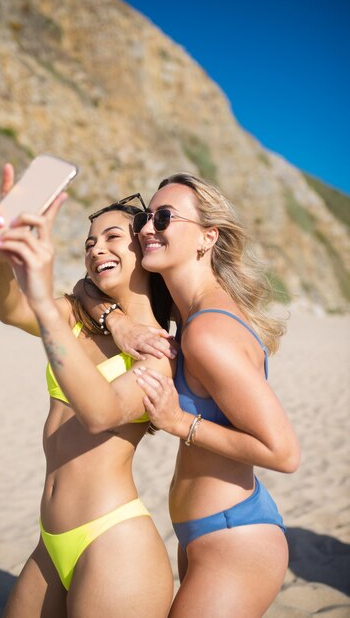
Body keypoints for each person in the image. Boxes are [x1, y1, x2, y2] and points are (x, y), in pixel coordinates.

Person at [0, 165, 174, 618]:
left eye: (112, 237)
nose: (96, 247)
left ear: (145, 247)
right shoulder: (77, 319)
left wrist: (47, 301)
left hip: (114, 543)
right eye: (89, 243)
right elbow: (10, 308)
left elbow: (101, 414)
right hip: (51, 540)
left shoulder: (158, 350)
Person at [126, 173, 300, 617]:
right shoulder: (191, 316)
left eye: (163, 218)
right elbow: (91, 285)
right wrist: (116, 318)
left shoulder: (206, 332)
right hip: (206, 532)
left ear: (208, 237)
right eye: (147, 217)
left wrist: (178, 422)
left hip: (235, 538)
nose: (147, 228)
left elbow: (283, 453)